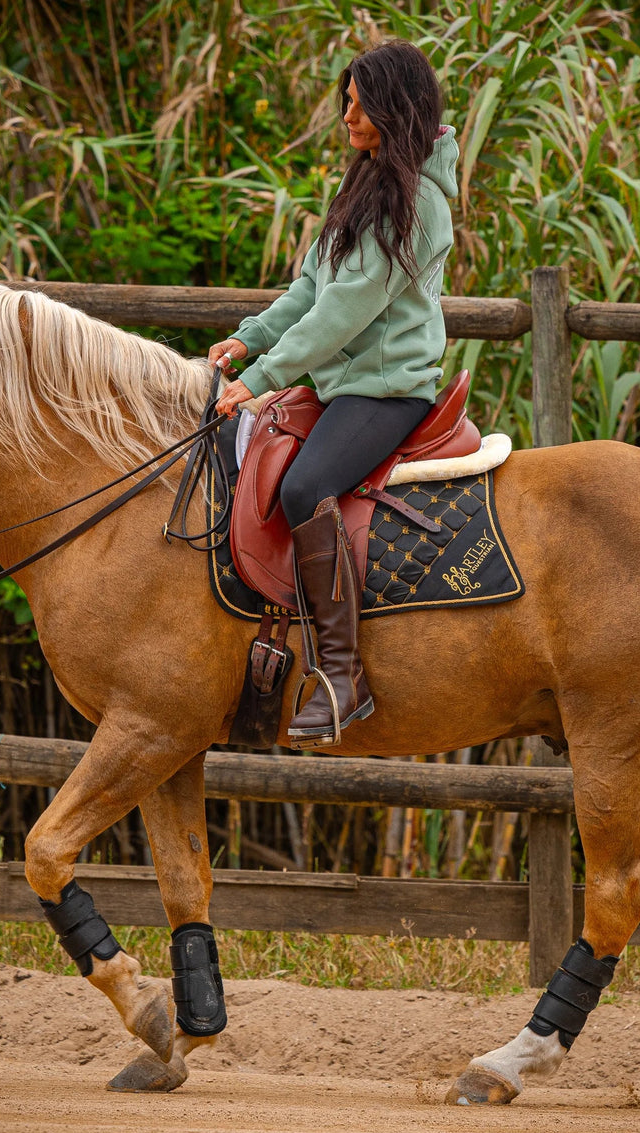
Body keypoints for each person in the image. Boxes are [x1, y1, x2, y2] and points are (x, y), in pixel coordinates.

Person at [209, 40, 457, 748]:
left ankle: (344, 679)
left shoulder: (415, 202)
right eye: (345, 101)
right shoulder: (367, 181)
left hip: (385, 391)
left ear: (391, 108)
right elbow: (311, 289)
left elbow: (347, 309)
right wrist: (250, 339)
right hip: (341, 383)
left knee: (304, 486)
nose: (345, 114)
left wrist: (260, 381)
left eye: (357, 103)